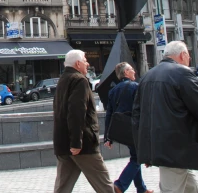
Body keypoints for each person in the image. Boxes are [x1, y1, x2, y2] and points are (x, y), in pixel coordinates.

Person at [132, 41, 198, 192]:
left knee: (191, 188)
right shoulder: (182, 74)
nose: (189, 61)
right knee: (172, 189)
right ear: (183, 55)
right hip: (175, 149)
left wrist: (144, 151)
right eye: (188, 56)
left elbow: (137, 117)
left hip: (161, 147)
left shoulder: (147, 76)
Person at [53, 49, 115, 193]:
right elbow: (76, 112)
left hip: (63, 143)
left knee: (62, 187)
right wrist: (76, 142)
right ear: (78, 63)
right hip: (82, 145)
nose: (87, 63)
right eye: (85, 60)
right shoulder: (79, 80)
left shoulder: (62, 80)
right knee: (104, 185)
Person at [104, 63, 153, 193]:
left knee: (135, 156)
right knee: (137, 158)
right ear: (126, 72)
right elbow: (144, 109)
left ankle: (141, 189)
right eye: (132, 69)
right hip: (135, 128)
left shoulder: (113, 91)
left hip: (121, 130)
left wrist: (107, 137)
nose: (134, 71)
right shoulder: (136, 87)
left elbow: (109, 113)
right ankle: (120, 184)